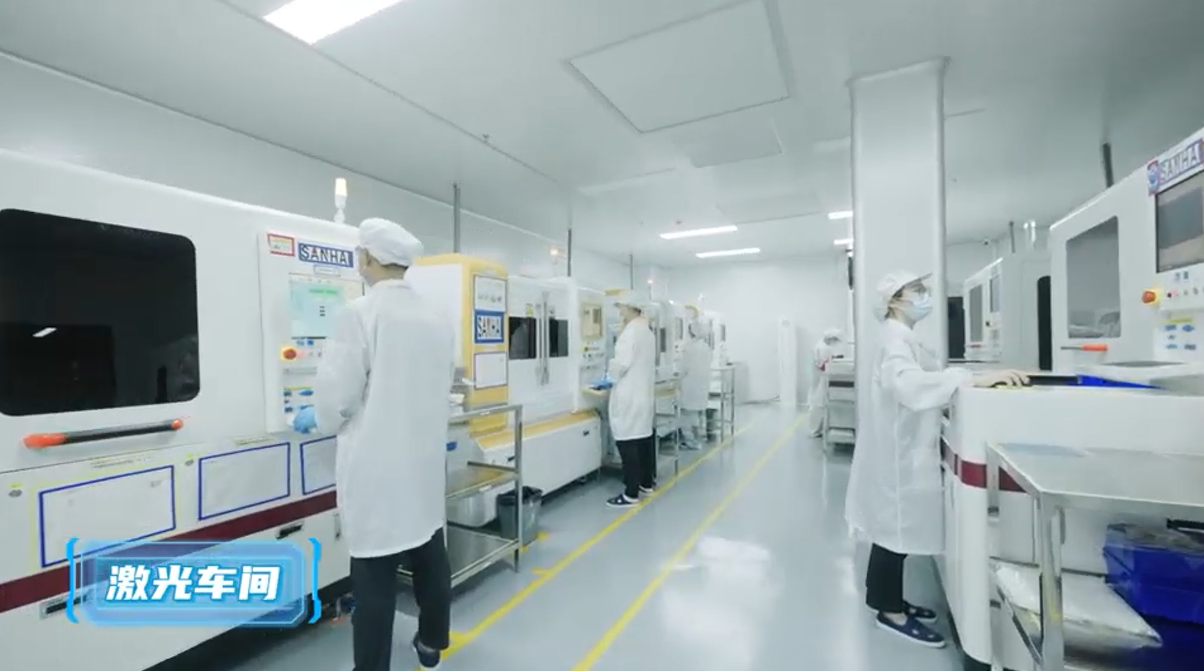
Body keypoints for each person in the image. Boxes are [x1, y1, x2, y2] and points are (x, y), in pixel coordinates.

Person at [291, 218, 455, 670]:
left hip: (377, 467)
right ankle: (431, 645)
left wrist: (317, 417)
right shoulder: (436, 316)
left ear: (366, 258)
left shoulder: (360, 313)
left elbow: (338, 397)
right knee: (429, 552)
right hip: (422, 463)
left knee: (374, 574)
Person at [845, 270, 1027, 648]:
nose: (924, 295)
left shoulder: (901, 337)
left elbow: (920, 378)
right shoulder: (895, 339)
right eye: (916, 290)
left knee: (891, 531)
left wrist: (962, 378)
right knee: (893, 532)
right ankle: (890, 611)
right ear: (895, 300)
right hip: (898, 451)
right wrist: (966, 380)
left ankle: (887, 600)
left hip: (901, 447)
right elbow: (908, 385)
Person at [604, 293, 657, 508]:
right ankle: (646, 484)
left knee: (627, 442)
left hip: (629, 394)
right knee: (643, 439)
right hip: (643, 394)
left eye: (621, 307)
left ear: (630, 307)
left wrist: (608, 379)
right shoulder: (647, 331)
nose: (620, 311)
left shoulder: (631, 332)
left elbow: (621, 364)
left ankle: (630, 493)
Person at [677, 321, 712, 450]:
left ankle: (690, 441)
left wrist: (677, 379)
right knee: (697, 414)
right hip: (701, 386)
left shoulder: (690, 347)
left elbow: (683, 368)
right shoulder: (706, 347)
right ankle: (698, 439)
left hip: (690, 386)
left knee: (687, 415)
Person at [806, 329, 843, 437]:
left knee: (819, 405)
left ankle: (818, 429)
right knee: (817, 406)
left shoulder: (822, 345)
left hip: (820, 379)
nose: (834, 342)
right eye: (834, 340)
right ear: (830, 338)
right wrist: (834, 361)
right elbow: (822, 365)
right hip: (819, 379)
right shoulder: (822, 347)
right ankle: (814, 430)